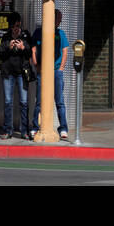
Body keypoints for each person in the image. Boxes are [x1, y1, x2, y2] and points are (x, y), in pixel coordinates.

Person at [30, 8, 70, 140]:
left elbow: (65, 50)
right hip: (43, 71)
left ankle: (63, 128)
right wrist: (36, 65)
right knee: (39, 101)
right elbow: (33, 48)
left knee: (59, 101)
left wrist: (61, 68)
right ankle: (35, 127)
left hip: (56, 71)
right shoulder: (38, 32)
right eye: (58, 19)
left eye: (60, 20)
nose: (59, 22)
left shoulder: (61, 33)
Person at [0, 15, 31, 139]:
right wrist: (8, 47)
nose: (16, 29)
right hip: (8, 73)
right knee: (8, 102)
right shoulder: (6, 37)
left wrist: (23, 47)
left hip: (22, 73)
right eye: (14, 26)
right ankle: (8, 130)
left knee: (23, 102)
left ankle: (24, 131)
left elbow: (30, 54)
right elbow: (0, 55)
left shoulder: (25, 36)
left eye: (18, 26)